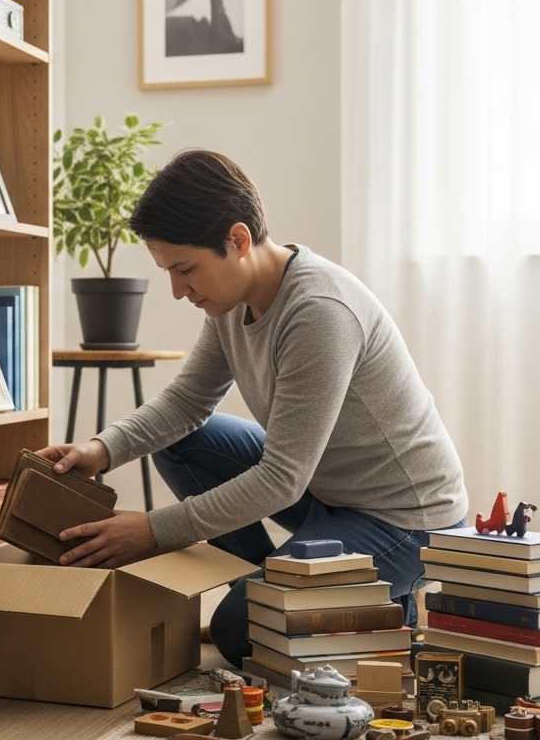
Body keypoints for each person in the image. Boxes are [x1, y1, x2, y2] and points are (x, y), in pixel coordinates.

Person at [35, 149, 469, 667]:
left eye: (186, 269)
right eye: (168, 272)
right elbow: (186, 403)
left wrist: (152, 530)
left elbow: (281, 478)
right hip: (326, 491)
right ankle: (281, 583)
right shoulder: (229, 300)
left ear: (238, 241)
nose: (178, 291)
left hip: (405, 521)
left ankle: (372, 605)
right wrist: (101, 449)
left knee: (240, 632)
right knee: (182, 445)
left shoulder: (319, 312)